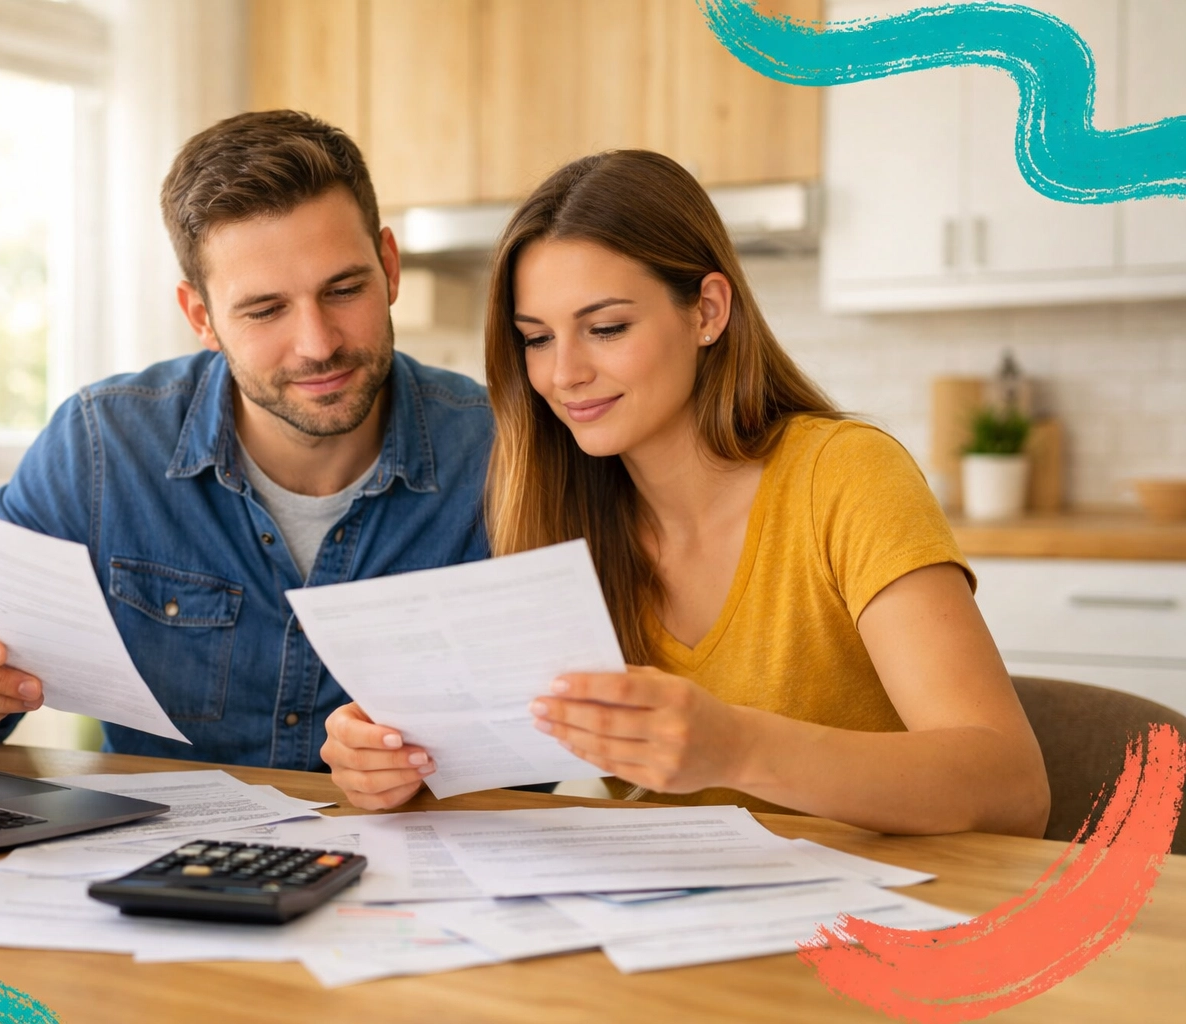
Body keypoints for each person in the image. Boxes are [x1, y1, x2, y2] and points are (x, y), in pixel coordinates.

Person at [327, 150, 1050, 838]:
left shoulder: (846, 477)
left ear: (707, 311)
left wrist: (736, 747)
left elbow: (1013, 790)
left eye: (606, 327)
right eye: (537, 338)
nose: (564, 373)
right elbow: (513, 771)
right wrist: (399, 765)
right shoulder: (559, 513)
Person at [0, 110, 490, 772]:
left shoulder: (502, 451)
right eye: (265, 310)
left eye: (343, 289)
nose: (318, 344)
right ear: (201, 317)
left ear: (388, 266)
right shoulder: (103, 448)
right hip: (169, 868)